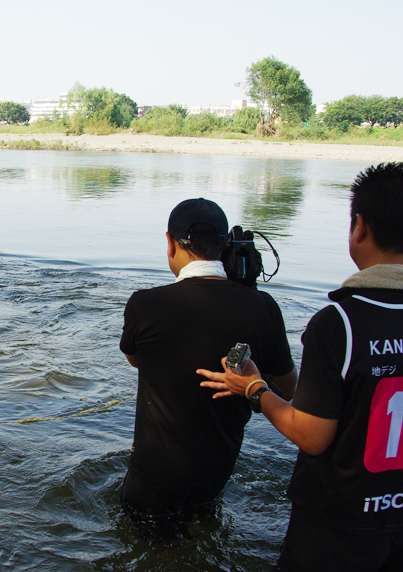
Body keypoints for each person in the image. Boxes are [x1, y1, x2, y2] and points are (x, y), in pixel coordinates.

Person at [199, 163, 403, 572]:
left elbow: (311, 435)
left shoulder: (340, 323)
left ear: (359, 227)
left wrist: (254, 388)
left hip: (339, 523)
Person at [119, 197, 297, 525]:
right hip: (215, 478)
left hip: (153, 482)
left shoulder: (145, 304)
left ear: (170, 243)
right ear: (227, 245)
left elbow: (135, 360)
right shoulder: (265, 307)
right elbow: (290, 389)